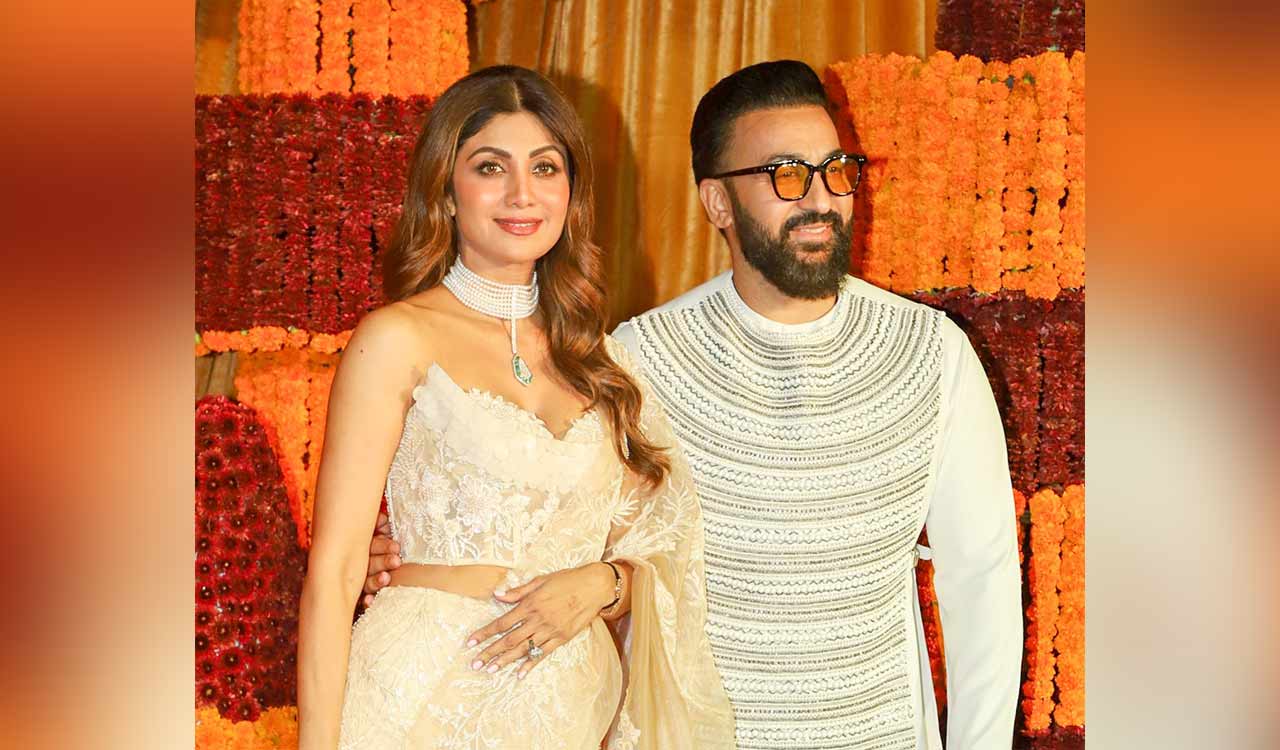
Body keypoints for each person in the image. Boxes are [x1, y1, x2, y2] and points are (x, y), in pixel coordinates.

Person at [364, 60, 1022, 750]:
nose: (820, 198)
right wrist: (411, 558)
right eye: (786, 174)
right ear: (717, 203)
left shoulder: (932, 352)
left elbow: (982, 579)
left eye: (835, 170)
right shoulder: (635, 359)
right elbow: (556, 531)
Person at [298, 65, 735, 750]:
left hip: (568, 719)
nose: (522, 193)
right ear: (445, 190)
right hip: (421, 703)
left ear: (571, 192)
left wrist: (604, 583)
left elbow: (665, 550)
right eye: (490, 167)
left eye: (545, 167)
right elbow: (336, 569)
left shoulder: (605, 365)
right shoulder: (398, 339)